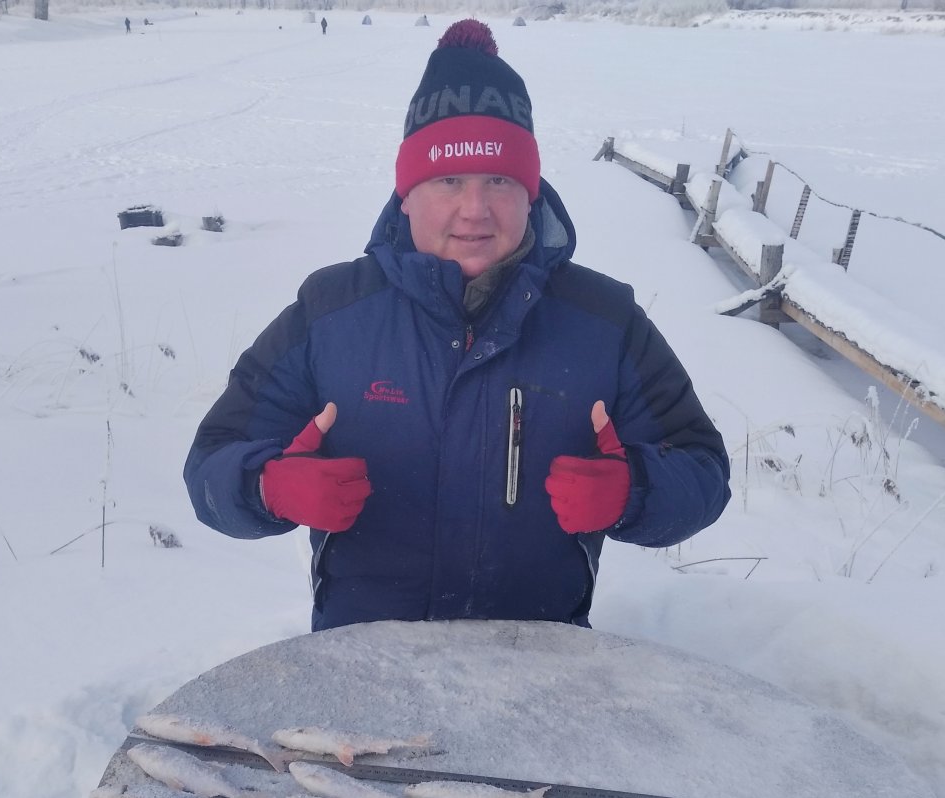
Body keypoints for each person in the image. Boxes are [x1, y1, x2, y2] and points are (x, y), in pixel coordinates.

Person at [185, 20, 730, 632]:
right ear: (407, 194)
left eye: (499, 180)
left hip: (544, 665)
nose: (475, 210)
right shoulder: (330, 313)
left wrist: (633, 491)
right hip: (360, 662)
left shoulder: (605, 322)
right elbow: (210, 462)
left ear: (530, 194)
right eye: (448, 180)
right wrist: (268, 488)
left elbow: (703, 470)